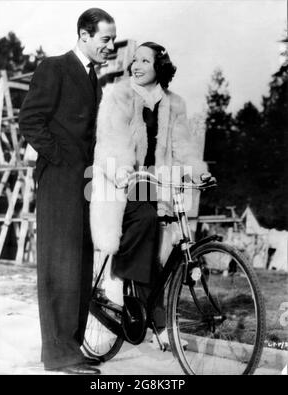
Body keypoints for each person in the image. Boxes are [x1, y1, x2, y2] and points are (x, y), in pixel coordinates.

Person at [19, 8, 116, 374]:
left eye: (112, 40)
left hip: (84, 183)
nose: (109, 46)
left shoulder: (92, 78)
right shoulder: (54, 67)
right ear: (84, 35)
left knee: (78, 265)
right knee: (60, 266)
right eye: (105, 39)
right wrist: (61, 160)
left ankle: (71, 348)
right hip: (60, 181)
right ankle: (59, 355)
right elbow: (30, 120)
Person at [90, 42, 206, 347]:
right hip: (118, 181)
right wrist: (121, 170)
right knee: (144, 218)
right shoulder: (118, 95)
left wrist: (198, 171)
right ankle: (118, 284)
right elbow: (109, 139)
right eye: (135, 60)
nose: (136, 66)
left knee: (158, 244)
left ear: (160, 67)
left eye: (145, 60)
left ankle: (151, 310)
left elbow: (183, 146)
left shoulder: (174, 103)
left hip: (155, 184)